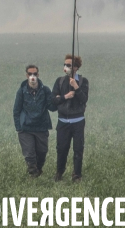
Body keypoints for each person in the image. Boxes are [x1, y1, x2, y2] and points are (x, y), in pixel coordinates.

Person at [13, 64, 57, 178]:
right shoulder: (21, 91)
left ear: (38, 74)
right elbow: (16, 110)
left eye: (35, 74)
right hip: (26, 128)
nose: (32, 76)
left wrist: (59, 99)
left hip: (41, 126)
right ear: (26, 75)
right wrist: (19, 127)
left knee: (42, 152)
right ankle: (32, 172)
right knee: (29, 153)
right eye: (30, 74)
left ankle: (39, 169)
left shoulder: (45, 90)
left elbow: (51, 107)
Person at [52, 55, 89, 183]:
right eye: (65, 64)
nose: (65, 67)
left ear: (76, 67)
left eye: (69, 65)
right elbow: (54, 100)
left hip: (78, 121)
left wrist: (76, 87)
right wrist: (65, 97)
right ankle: (59, 172)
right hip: (63, 122)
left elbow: (84, 99)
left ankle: (77, 175)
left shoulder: (83, 82)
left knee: (78, 149)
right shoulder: (59, 81)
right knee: (61, 149)